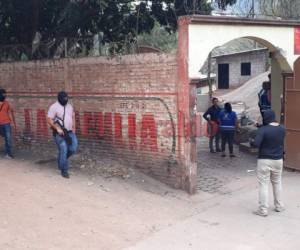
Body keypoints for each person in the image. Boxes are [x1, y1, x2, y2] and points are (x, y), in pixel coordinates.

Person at [250, 109, 285, 217]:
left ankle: (263, 210)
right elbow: (272, 132)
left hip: (264, 160)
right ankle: (279, 206)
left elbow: (256, 144)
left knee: (263, 184)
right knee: (277, 182)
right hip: (278, 160)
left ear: (265, 118)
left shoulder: (263, 130)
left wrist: (251, 140)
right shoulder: (282, 128)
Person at [47, 91, 78, 178]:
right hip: (59, 133)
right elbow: (49, 119)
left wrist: (74, 128)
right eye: (64, 99)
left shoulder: (69, 106)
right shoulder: (54, 107)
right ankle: (64, 170)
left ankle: (62, 159)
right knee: (64, 147)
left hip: (70, 132)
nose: (65, 100)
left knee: (73, 148)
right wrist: (57, 128)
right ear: (59, 98)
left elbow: (73, 117)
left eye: (66, 98)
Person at [0, 88, 16, 158]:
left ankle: (8, 153)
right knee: (6, 137)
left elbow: (10, 112)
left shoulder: (7, 103)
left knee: (8, 138)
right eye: (3, 94)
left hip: (6, 123)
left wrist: (14, 123)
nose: (4, 95)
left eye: (5, 94)